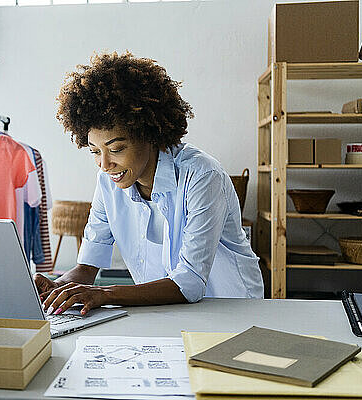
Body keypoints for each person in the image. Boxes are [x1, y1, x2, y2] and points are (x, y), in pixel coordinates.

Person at [35, 52, 263, 316]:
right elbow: (87, 267)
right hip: (165, 310)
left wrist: (104, 294)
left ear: (149, 134)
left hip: (233, 310)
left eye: (117, 148)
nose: (105, 164)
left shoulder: (202, 175)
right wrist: (58, 287)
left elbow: (188, 282)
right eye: (95, 151)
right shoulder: (108, 181)